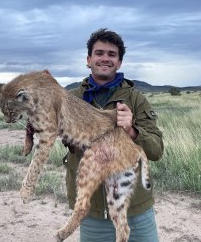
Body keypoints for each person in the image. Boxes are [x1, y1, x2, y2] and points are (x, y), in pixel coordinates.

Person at [65, 28, 164, 242]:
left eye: (112, 54)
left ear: (119, 62)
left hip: (135, 209)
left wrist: (132, 130)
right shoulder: (70, 99)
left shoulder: (136, 100)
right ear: (88, 59)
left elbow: (156, 151)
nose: (105, 58)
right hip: (91, 211)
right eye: (99, 53)